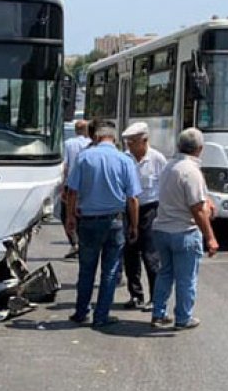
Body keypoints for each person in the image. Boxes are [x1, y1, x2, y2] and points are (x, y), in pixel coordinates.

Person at [65, 120, 141, 329]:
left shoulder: (84, 157)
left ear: (96, 138)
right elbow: (132, 198)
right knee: (110, 270)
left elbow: (72, 191)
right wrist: (134, 225)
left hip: (88, 221)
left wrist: (70, 217)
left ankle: (81, 312)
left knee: (86, 269)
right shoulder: (124, 160)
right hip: (115, 221)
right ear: (114, 139)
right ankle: (101, 315)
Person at [150, 128, 219, 331]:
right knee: (186, 278)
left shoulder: (169, 166)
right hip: (183, 232)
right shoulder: (191, 171)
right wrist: (211, 238)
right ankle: (183, 318)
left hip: (162, 229)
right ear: (200, 149)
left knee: (165, 274)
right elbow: (197, 210)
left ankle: (158, 313)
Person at [121, 122, 168, 312]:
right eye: (128, 142)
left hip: (150, 209)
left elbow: (165, 188)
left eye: (133, 142)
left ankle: (155, 298)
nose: (129, 146)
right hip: (128, 209)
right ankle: (135, 295)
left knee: (151, 256)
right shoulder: (124, 158)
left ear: (145, 141)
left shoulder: (158, 159)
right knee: (130, 254)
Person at [60, 119, 91, 258]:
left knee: (66, 213)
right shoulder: (90, 144)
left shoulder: (68, 143)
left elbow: (65, 166)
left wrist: (62, 185)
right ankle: (83, 243)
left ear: (75, 130)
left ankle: (75, 243)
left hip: (71, 184)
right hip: (86, 184)